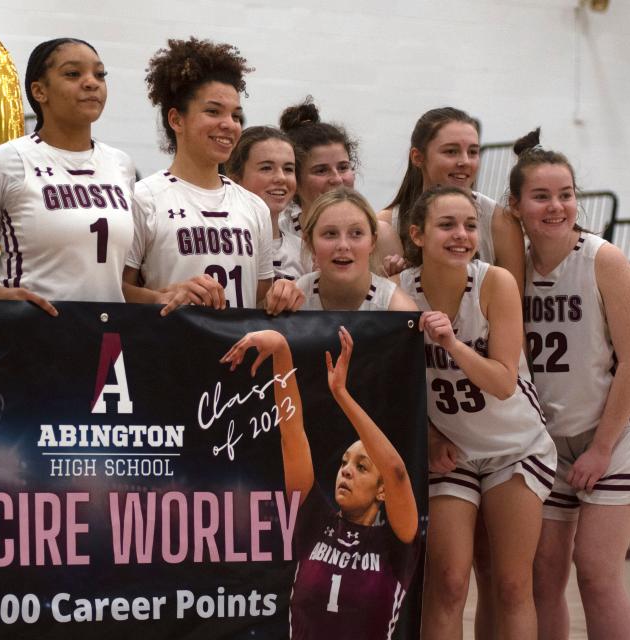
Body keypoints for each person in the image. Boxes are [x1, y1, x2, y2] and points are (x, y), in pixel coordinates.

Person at [396, 186, 555, 638]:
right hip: (453, 450)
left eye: (469, 225)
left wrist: (451, 344)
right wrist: (427, 436)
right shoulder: (399, 292)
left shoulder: (495, 282)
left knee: (510, 584)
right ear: (417, 234)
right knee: (446, 582)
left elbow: (504, 382)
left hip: (515, 446)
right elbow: (396, 386)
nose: (461, 234)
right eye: (446, 225)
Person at [511, 129, 630, 640]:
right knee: (543, 574)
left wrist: (603, 447)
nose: (557, 206)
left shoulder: (603, 259)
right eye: (542, 196)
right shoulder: (513, 269)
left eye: (566, 194)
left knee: (595, 571)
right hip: (550, 442)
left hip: (615, 435)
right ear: (516, 205)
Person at [220, 327, 419, 639]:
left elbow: (396, 471)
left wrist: (341, 394)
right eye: (344, 463)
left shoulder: (396, 543)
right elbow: (291, 434)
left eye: (362, 467)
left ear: (382, 490)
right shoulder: (314, 520)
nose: (346, 471)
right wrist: (282, 352)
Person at [124, 37, 303, 315]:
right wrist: (164, 296)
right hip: (167, 352)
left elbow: (260, 300)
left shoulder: (253, 206)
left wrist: (283, 294)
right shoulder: (143, 197)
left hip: (238, 353)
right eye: (213, 111)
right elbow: (116, 293)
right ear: (176, 120)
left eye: (235, 116)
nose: (228, 125)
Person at [0, 38, 136, 312]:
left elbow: (120, 279)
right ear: (39, 91)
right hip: (32, 333)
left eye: (100, 74)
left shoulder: (121, 165)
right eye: (73, 74)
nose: (92, 82)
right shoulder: (1, 163)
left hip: (109, 335)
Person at [377, 107, 524, 285]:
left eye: (473, 152)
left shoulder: (501, 222)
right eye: (451, 151)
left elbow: (514, 306)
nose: (464, 162)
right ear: (418, 157)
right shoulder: (385, 225)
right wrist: (390, 284)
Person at [295, 188, 416, 311]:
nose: (343, 245)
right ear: (310, 242)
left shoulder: (398, 309)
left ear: (373, 242)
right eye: (330, 233)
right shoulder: (294, 300)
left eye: (356, 233)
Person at [225, 126, 308, 281]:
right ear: (235, 179)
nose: (281, 178)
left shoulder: (305, 252)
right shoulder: (220, 244)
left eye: (288, 169)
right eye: (266, 168)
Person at [276, 98, 360, 239]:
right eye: (321, 170)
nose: (337, 179)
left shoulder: (376, 234)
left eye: (343, 167)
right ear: (294, 178)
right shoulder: (276, 236)